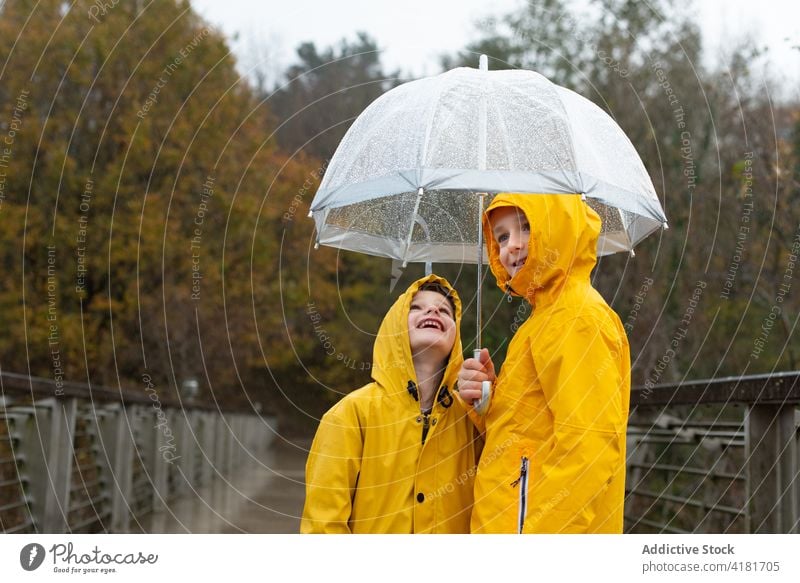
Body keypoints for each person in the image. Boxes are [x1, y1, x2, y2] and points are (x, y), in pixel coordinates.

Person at [456, 193, 631, 534]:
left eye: (526, 227)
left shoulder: (576, 317)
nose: (512, 246)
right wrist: (487, 403)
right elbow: (521, 434)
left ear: (559, 230)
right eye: (502, 236)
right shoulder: (543, 319)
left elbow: (587, 448)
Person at [301, 274, 480, 533]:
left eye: (445, 310)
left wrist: (488, 409)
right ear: (394, 330)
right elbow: (323, 525)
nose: (432, 310)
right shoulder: (351, 414)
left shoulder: (472, 418)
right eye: (416, 307)